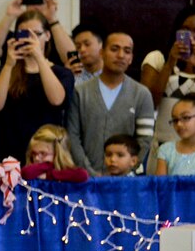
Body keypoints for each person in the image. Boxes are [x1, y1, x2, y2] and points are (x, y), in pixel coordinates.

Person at [139, 5, 195, 173]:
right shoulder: (157, 59)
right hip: (165, 150)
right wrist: (170, 63)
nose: (192, 37)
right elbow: (149, 102)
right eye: (186, 30)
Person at [0, 9, 75, 162]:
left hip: (46, 154)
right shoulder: (1, 72)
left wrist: (39, 57)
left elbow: (57, 100)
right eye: (24, 34)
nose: (30, 40)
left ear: (47, 35)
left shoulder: (62, 73)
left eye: (36, 34)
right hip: (8, 154)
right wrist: (8, 65)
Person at [66, 31, 155, 174]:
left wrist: (125, 171)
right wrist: (89, 173)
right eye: (114, 49)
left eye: (127, 51)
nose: (121, 55)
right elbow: (73, 137)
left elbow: (144, 141)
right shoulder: (80, 92)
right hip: (86, 181)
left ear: (131, 58)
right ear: (102, 53)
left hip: (126, 184)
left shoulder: (141, 94)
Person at [0, 0, 76, 67]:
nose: (37, 6)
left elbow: (72, 58)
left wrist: (52, 18)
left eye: (42, 1)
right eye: (33, 0)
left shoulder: (56, 39)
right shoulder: (13, 38)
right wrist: (9, 16)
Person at [22, 124, 89, 182]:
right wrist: (48, 165)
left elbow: (82, 175)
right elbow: (26, 173)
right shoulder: (35, 170)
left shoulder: (66, 171)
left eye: (43, 153)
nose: (36, 158)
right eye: (34, 153)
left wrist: (48, 175)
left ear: (57, 154)